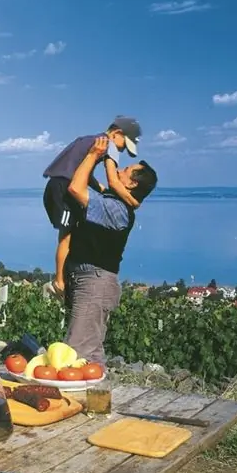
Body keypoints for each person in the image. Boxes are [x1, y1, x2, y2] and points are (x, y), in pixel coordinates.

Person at [63, 136, 157, 367]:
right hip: (87, 278)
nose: (120, 170)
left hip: (95, 282)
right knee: (89, 351)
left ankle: (81, 401)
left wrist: (95, 155)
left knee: (76, 354)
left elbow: (76, 188)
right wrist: (105, 157)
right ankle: (98, 398)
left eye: (126, 169)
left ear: (133, 184)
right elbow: (88, 179)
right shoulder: (111, 198)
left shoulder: (118, 210)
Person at [41, 116, 142, 301]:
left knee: (72, 232)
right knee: (67, 235)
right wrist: (131, 200)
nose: (122, 150)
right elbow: (113, 180)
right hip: (63, 188)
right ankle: (59, 283)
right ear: (117, 133)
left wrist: (99, 189)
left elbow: (82, 172)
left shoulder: (91, 139)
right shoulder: (107, 145)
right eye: (123, 145)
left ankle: (64, 278)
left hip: (57, 185)